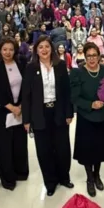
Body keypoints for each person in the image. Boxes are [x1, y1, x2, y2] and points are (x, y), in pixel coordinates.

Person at [21, 36, 73, 196]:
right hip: (39, 113)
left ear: (52, 49)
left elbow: (67, 91)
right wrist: (26, 119)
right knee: (44, 150)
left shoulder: (61, 65)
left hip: (58, 111)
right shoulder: (31, 68)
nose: (44, 50)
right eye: (41, 47)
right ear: (36, 50)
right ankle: (50, 182)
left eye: (47, 46)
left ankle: (64, 177)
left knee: (62, 147)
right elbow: (26, 95)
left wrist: (69, 112)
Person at [70, 42, 104, 197]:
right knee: (88, 149)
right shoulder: (78, 73)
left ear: (99, 56)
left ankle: (97, 175)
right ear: (84, 56)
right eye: (88, 56)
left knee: (99, 148)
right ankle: (89, 178)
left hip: (101, 116)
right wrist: (90, 104)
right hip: (86, 116)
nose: (91, 58)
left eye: (94, 55)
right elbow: (74, 97)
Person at [0, 38, 29, 191]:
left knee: (20, 143)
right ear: (0, 50)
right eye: (5, 49)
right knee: (4, 146)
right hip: (3, 112)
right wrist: (12, 108)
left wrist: (21, 106)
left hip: (20, 109)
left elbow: (27, 85)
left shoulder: (21, 63)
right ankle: (8, 179)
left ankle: (21, 172)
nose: (8, 52)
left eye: (11, 49)